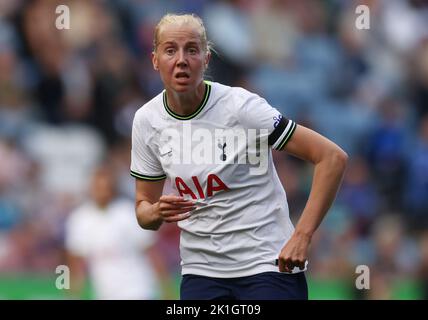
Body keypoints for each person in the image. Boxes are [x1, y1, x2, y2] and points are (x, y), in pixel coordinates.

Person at [131, 13, 348, 300]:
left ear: (206, 59)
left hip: (267, 266)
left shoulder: (241, 108)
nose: (181, 59)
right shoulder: (147, 120)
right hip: (201, 273)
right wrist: (156, 212)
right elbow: (143, 210)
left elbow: (332, 157)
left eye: (192, 50)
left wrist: (302, 235)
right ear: (155, 59)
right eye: (170, 50)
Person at [64, 164, 172, 300]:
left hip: (138, 290)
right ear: (91, 188)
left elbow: (152, 253)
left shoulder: (128, 213)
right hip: (105, 294)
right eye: (98, 188)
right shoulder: (80, 219)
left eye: (106, 188)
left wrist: (166, 289)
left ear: (112, 189)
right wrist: (73, 294)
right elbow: (76, 263)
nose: (102, 192)